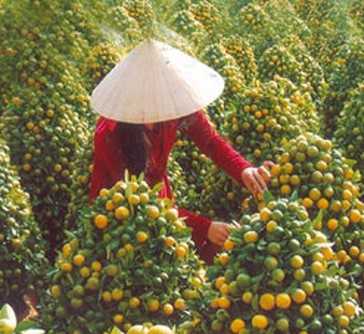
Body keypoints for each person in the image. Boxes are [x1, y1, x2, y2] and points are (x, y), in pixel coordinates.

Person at [89, 39, 272, 263]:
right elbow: (138, 202)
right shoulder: (111, 133)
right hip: (119, 211)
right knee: (134, 264)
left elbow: (210, 142)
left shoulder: (174, 106)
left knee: (172, 255)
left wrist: (243, 170)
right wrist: (204, 228)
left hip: (160, 196)